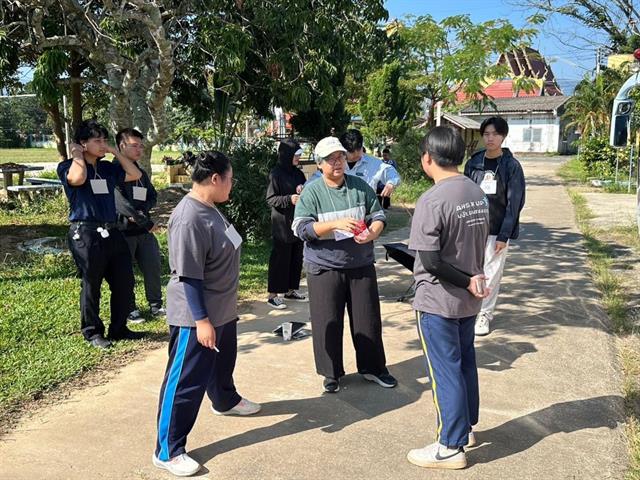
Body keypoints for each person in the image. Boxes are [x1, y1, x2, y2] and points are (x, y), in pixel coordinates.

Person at [153, 151, 260, 477]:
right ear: (215, 179)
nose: (232, 184)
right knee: (186, 381)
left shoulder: (211, 207)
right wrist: (201, 321)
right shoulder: (189, 218)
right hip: (196, 316)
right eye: (230, 179)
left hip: (222, 310)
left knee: (222, 364)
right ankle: (168, 449)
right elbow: (188, 277)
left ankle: (225, 400)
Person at [407, 126, 490, 470]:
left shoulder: (433, 199)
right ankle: (466, 427)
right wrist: (472, 279)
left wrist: (467, 280)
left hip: (439, 300)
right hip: (469, 301)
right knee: (465, 361)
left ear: (428, 158)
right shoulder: (476, 191)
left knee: (445, 371)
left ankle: (449, 446)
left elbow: (431, 261)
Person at [292, 136, 397, 393]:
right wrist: (334, 225)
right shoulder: (312, 192)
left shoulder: (360, 186)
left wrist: (373, 231)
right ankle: (331, 373)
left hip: (360, 264)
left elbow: (378, 215)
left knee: (367, 320)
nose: (337, 162)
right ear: (319, 164)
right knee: (327, 321)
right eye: (330, 159)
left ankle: (373, 368)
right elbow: (301, 228)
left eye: (340, 156)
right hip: (324, 267)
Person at [57, 120, 145, 349]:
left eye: (104, 139)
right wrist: (77, 155)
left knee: (124, 280)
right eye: (97, 140)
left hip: (112, 230)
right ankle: (93, 331)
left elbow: (134, 173)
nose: (102, 144)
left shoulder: (107, 168)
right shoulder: (68, 166)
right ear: (83, 143)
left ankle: (119, 328)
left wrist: (115, 151)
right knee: (91, 283)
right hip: (85, 231)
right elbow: (77, 179)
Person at [464, 116, 525, 336]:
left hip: (496, 230)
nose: (490, 138)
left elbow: (514, 203)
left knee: (491, 273)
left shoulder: (511, 166)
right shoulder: (474, 162)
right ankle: (470, 310)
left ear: (503, 136)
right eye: (486, 134)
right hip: (472, 228)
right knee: (471, 270)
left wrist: (504, 234)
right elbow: (464, 193)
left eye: (495, 134)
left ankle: (484, 314)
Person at [113, 128, 165, 322]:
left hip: (143, 232)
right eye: (134, 145)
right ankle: (129, 308)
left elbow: (152, 195)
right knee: (125, 272)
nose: (139, 149)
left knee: (153, 266)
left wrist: (143, 211)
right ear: (121, 146)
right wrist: (142, 219)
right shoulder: (113, 172)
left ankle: (155, 305)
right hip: (123, 231)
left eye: (140, 146)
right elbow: (120, 204)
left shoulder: (140, 173)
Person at [265, 138, 308, 309]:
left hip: (297, 222)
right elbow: (271, 199)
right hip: (282, 224)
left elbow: (305, 188)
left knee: (296, 257)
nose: (298, 158)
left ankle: (290, 290)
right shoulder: (276, 174)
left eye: (299, 155)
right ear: (287, 155)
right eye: (295, 155)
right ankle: (273, 294)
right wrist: (289, 199)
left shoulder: (298, 173)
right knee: (280, 259)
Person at [339, 129, 401, 204]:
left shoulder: (374, 163)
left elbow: (392, 173)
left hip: (368, 212)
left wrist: (391, 183)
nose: (356, 154)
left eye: (359, 150)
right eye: (351, 152)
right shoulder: (334, 164)